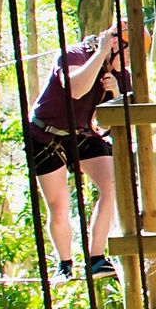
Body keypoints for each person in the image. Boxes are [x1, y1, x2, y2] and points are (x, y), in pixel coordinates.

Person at [24, 22, 138, 280]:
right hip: (45, 133)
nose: (131, 59)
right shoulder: (74, 54)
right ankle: (64, 263)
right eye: (129, 52)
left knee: (114, 183)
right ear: (114, 45)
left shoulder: (123, 75)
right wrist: (99, 56)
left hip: (81, 133)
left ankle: (96, 257)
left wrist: (116, 92)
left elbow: (112, 124)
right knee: (58, 203)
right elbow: (76, 90)